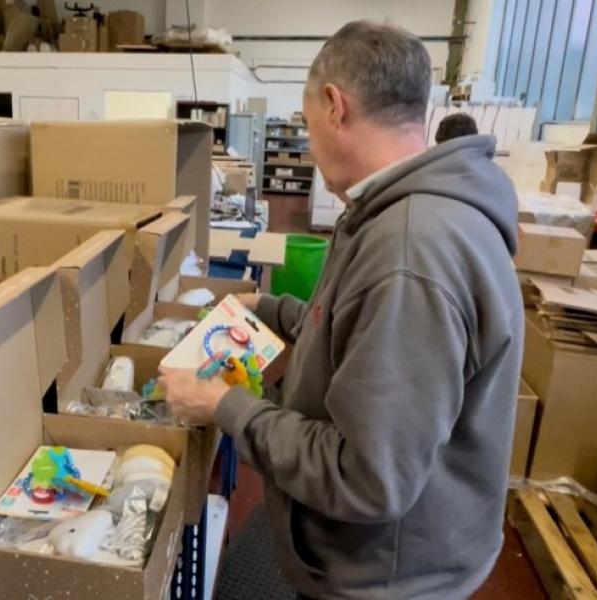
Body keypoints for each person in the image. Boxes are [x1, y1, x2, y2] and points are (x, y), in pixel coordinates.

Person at [159, 20, 523, 600]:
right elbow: (352, 332)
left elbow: (366, 479)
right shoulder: (391, 214)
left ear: (335, 106)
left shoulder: (411, 251)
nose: (307, 145)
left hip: (387, 579)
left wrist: (224, 406)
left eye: (306, 126)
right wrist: (267, 306)